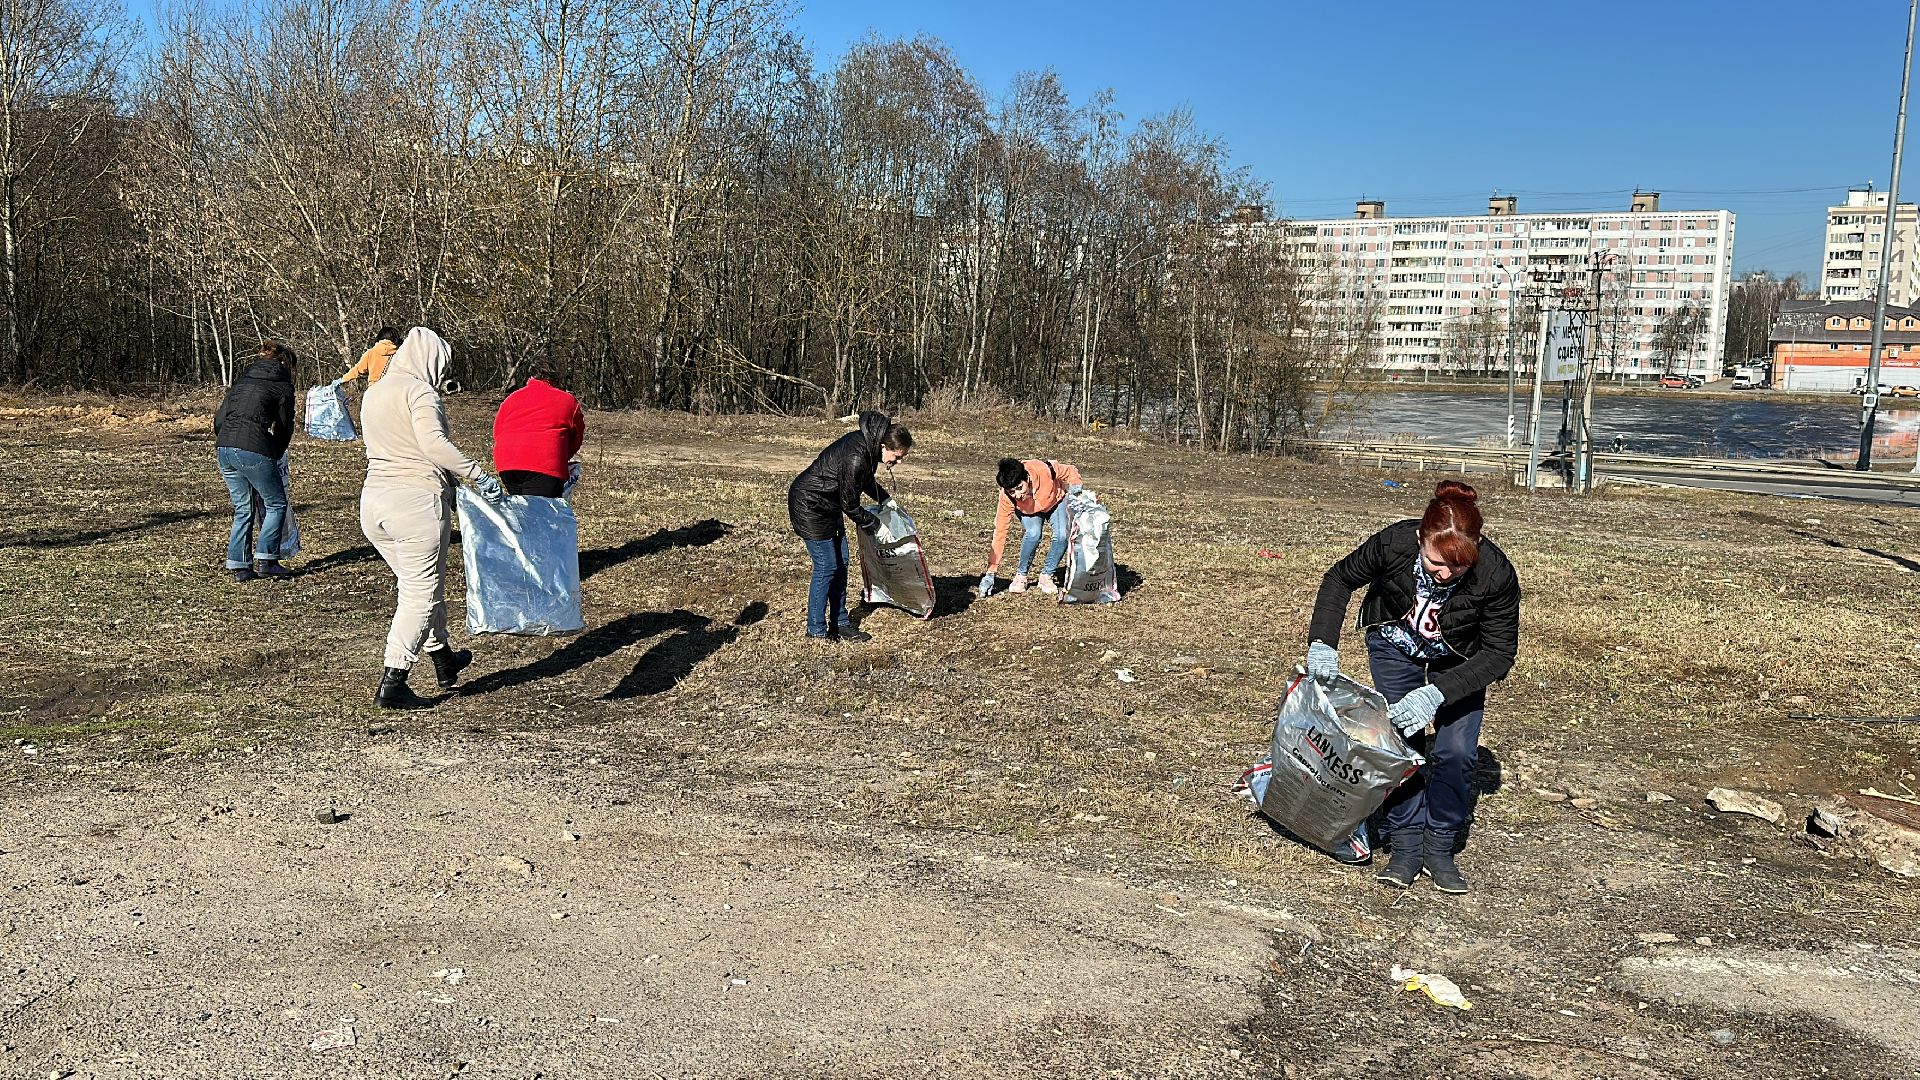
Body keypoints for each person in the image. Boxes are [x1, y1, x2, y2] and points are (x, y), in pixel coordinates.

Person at [1304, 480, 1520, 894]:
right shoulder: (1395, 543)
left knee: (1457, 752)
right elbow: (1339, 579)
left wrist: (1437, 694)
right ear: (1421, 538)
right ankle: (1405, 844)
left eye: (1458, 566)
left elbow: (1498, 653)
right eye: (1436, 562)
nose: (1445, 574)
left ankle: (1439, 846)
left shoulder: (1495, 574)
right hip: (1396, 645)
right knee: (1401, 745)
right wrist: (1323, 643)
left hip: (1460, 659)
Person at [359, 326, 506, 709]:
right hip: (415, 504)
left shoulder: (375, 391)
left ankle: (443, 659)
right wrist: (477, 475)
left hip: (374, 504)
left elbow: (399, 446)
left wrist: (454, 487)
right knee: (420, 594)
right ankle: (394, 680)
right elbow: (432, 444)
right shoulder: (419, 392)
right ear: (431, 361)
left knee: (419, 586)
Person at [787, 411, 913, 643]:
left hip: (829, 504)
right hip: (810, 505)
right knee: (826, 566)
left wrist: (885, 499)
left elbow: (863, 480)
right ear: (884, 446)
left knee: (842, 562)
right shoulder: (856, 456)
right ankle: (816, 630)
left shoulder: (868, 447)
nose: (898, 462)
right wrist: (876, 526)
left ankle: (840, 623)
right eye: (897, 456)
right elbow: (850, 505)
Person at [213, 341, 297, 582]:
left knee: (243, 508)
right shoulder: (282, 386)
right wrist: (276, 451)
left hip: (224, 448)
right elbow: (284, 426)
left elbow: (219, 419)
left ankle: (240, 566)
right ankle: (267, 560)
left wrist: (227, 442)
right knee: (276, 503)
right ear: (285, 364)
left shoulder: (242, 382)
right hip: (254, 447)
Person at [982, 458, 1083, 595]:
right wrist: (991, 572)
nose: (1018, 495)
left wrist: (1076, 486)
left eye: (1020, 488)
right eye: (1012, 492)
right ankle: (1021, 576)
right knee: (1033, 533)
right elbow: (1000, 531)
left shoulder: (1043, 470)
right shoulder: (1007, 497)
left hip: (1055, 501)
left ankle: (1046, 576)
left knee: (1063, 534)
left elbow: (1070, 471)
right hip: (1028, 511)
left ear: (1027, 478)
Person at [492, 369, 586, 497]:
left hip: (507, 464)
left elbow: (497, 431)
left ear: (529, 378)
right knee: (541, 509)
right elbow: (576, 437)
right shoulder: (567, 400)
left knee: (521, 506)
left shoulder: (512, 398)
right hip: (544, 464)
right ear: (556, 380)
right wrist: (563, 457)